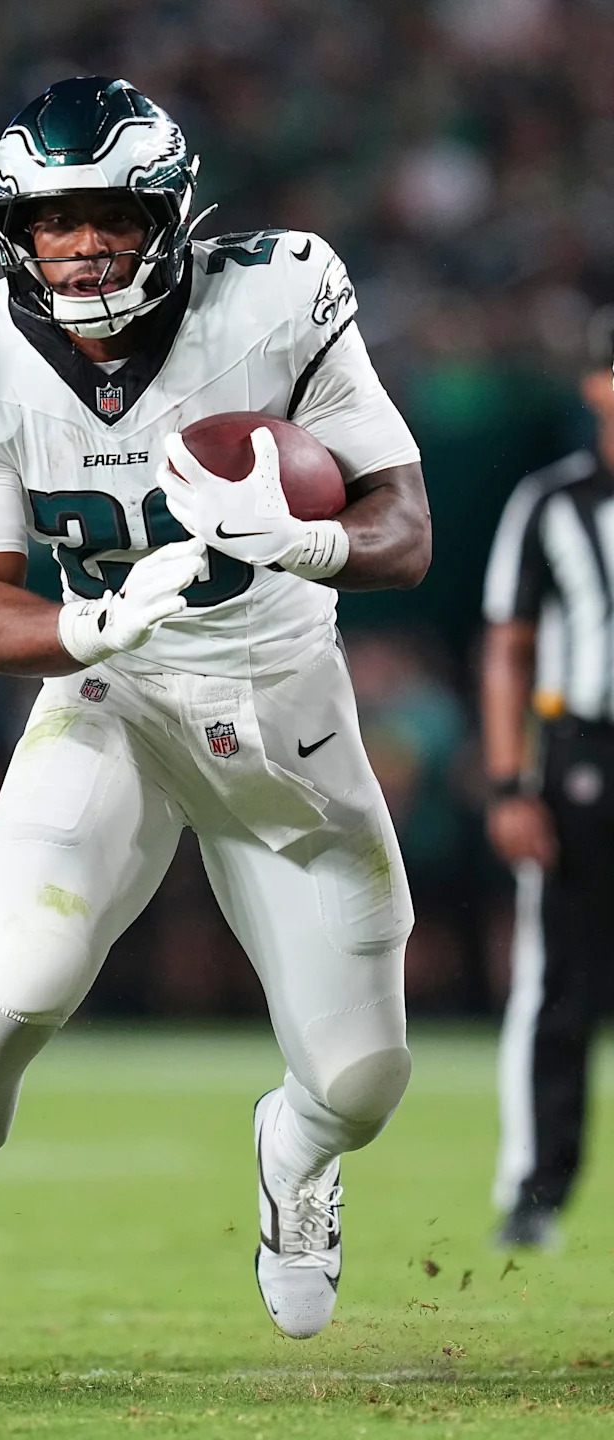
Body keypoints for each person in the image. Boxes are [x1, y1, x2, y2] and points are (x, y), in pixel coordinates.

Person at [0, 76, 430, 1393]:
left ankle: (297, 1152)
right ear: (11, 235)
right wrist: (88, 629)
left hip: (286, 710)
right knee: (17, 987)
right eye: (52, 221)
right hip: (116, 702)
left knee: (366, 1078)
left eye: (110, 216)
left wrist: (314, 539)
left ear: (173, 218)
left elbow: (404, 527)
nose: (81, 245)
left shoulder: (278, 295)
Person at [481, 309, 614, 1249]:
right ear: (596, 386)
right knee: (560, 980)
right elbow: (509, 647)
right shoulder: (555, 502)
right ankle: (537, 1188)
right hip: (587, 758)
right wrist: (507, 783)